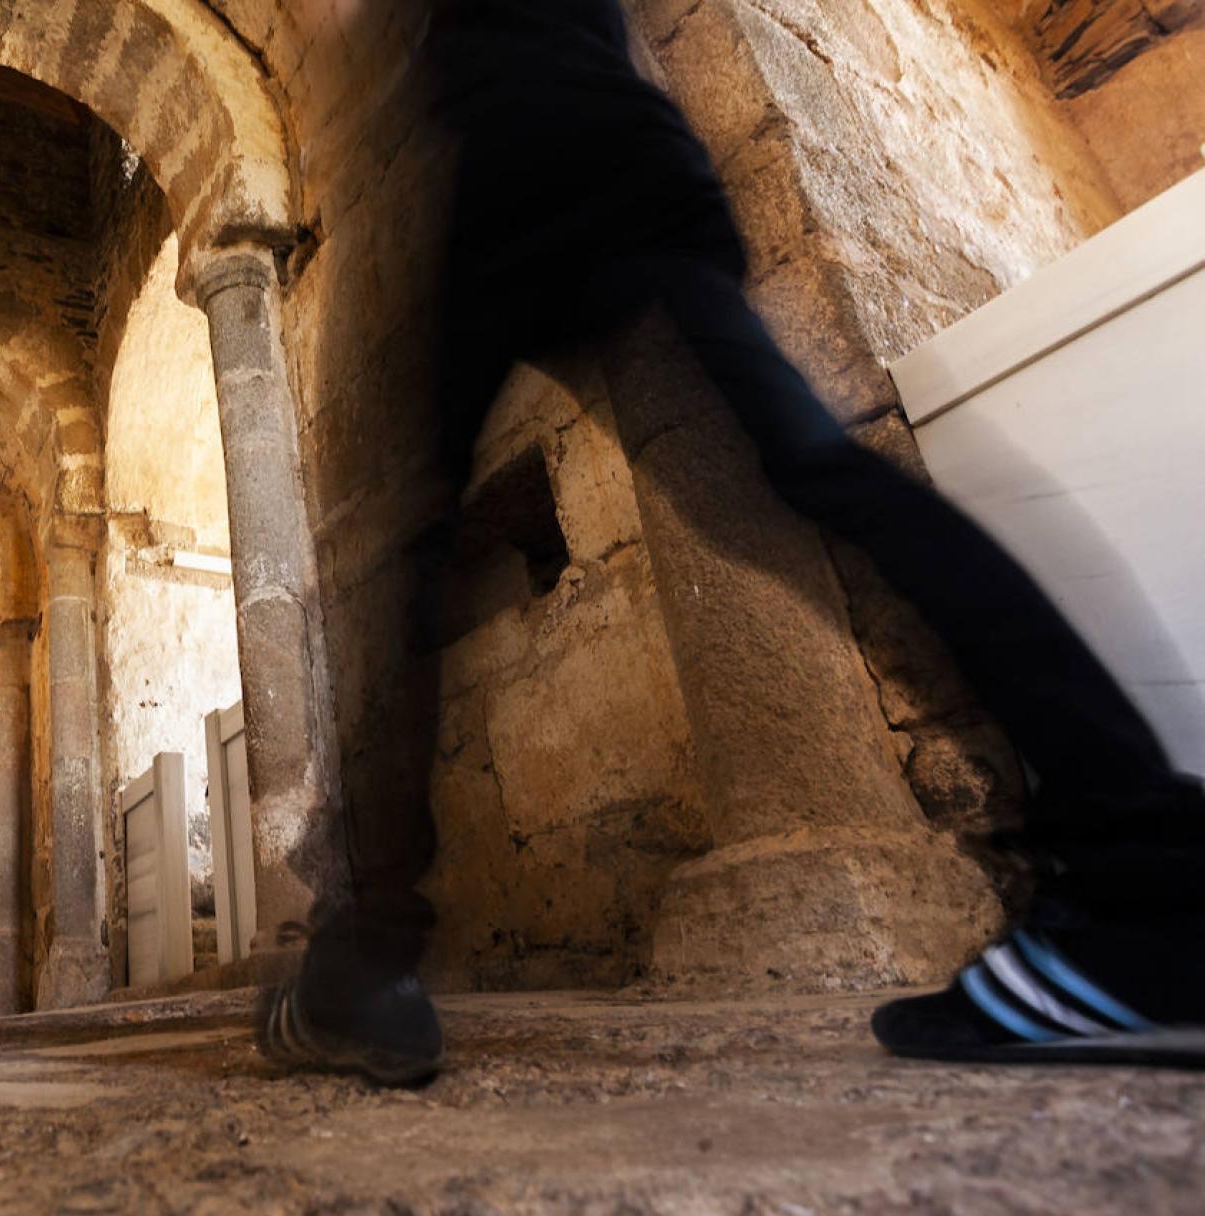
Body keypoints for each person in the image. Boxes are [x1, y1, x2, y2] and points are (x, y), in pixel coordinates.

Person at [257, 0, 1205, 1086]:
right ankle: (1150, 869)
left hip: (517, 164)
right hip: (630, 149)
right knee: (824, 466)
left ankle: (367, 956)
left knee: (408, 549)